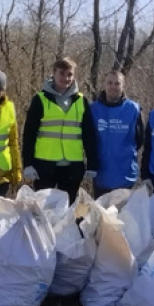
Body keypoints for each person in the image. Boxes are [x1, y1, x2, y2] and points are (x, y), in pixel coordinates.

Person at [22, 57, 98, 203]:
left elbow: (89, 135)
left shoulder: (81, 101)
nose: (66, 78)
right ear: (54, 73)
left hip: (72, 166)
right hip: (44, 165)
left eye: (70, 74)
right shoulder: (40, 99)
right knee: (43, 208)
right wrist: (28, 164)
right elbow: (29, 134)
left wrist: (92, 163)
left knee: (67, 208)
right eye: (62, 73)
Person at [89, 70, 144, 198]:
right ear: (104, 85)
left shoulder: (133, 109)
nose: (113, 87)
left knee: (123, 216)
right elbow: (89, 140)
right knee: (102, 216)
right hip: (101, 175)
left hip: (126, 174)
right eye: (109, 83)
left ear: (123, 86)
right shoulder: (93, 109)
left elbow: (140, 139)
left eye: (117, 83)